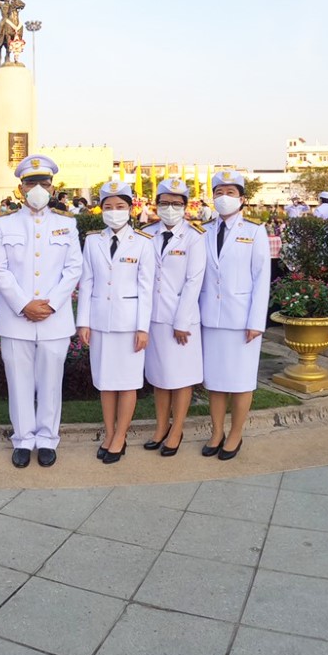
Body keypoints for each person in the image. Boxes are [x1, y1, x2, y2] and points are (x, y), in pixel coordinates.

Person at [0, 155, 82, 468]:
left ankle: (47, 439)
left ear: (52, 187)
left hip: (55, 319)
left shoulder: (67, 224)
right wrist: (23, 304)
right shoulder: (3, 224)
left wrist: (52, 304)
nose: (38, 189)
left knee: (51, 381)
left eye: (44, 182)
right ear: (21, 188)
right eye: (31, 183)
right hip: (16, 319)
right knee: (19, 382)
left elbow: (74, 268)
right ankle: (23, 439)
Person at [76, 180, 156, 464]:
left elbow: (146, 289)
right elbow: (86, 282)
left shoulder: (144, 243)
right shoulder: (92, 240)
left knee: (128, 383)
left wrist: (143, 328)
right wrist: (83, 322)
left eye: (120, 206)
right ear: (101, 209)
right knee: (106, 383)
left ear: (130, 209)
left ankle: (121, 436)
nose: (114, 211)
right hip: (100, 322)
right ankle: (109, 433)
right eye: (108, 207)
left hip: (129, 324)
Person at [199, 169, 270, 462]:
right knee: (215, 381)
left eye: (230, 193)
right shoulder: (203, 230)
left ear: (241, 199)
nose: (224, 198)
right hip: (210, 318)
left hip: (242, 320)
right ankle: (217, 432)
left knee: (241, 381)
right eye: (219, 193)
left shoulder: (254, 231)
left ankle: (236, 433)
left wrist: (256, 321)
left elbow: (262, 278)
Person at [140, 178, 206, 457]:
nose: (170, 208)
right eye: (164, 203)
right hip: (153, 317)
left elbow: (194, 281)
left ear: (185, 206)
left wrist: (181, 321)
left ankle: (176, 429)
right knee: (159, 376)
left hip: (182, 320)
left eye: (176, 204)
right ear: (156, 205)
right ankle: (161, 427)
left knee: (181, 377)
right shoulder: (146, 234)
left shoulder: (195, 236)